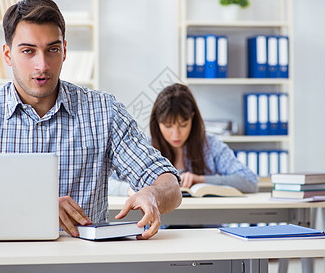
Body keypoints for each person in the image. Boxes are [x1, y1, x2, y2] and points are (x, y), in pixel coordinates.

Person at [0, 0, 181, 239]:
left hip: (82, 263)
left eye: (52, 50)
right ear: (7, 55)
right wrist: (38, 206)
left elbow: (170, 185)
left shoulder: (103, 111)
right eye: (28, 51)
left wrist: (153, 194)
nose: (42, 65)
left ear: (65, 51)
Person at [109, 83, 258, 196]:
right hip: (158, 231)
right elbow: (106, 182)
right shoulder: (145, 147)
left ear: (192, 118)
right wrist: (129, 190)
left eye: (183, 125)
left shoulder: (210, 145)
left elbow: (250, 182)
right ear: (157, 123)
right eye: (167, 126)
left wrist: (201, 180)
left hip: (206, 228)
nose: (176, 134)